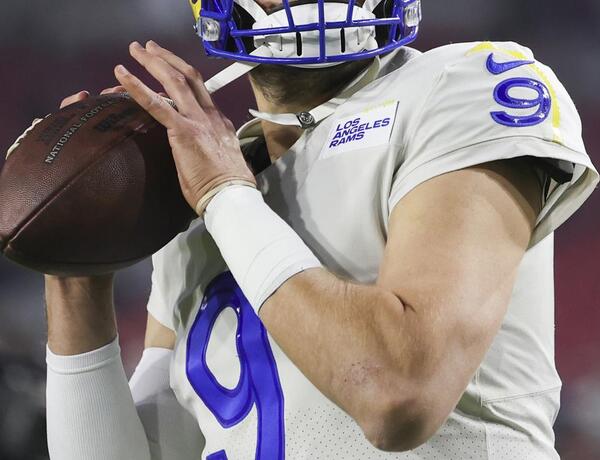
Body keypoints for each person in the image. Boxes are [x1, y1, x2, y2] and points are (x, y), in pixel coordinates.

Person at [39, 0, 598, 458]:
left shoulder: (462, 85)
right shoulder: (203, 197)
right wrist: (74, 276)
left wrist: (224, 196)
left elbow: (399, 394)